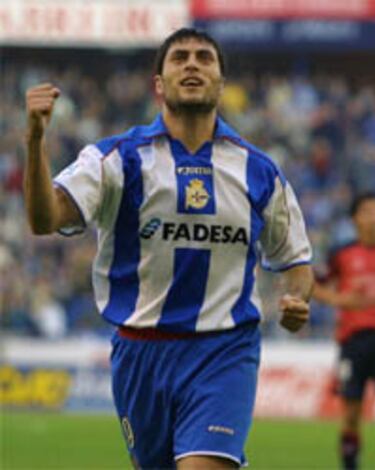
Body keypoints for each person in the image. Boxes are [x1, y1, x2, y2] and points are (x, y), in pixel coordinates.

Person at [25, 28, 313, 469]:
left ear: (221, 81)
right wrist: (35, 141)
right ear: (159, 83)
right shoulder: (117, 159)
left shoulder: (259, 171)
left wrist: (297, 298)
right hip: (140, 354)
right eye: (179, 57)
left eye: (204, 58)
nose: (193, 64)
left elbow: (296, 259)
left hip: (224, 350)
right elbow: (45, 219)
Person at [313, 193, 375, 470]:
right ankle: (350, 465)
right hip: (353, 341)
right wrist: (338, 299)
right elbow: (312, 284)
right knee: (351, 414)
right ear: (355, 219)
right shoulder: (341, 254)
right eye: (368, 211)